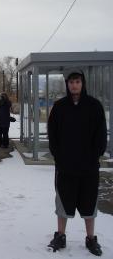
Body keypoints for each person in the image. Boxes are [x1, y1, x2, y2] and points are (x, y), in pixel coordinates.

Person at [47, 69, 106, 256]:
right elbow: (53, 133)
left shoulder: (94, 106)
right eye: (71, 82)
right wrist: (58, 155)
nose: (74, 85)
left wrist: (95, 154)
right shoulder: (60, 107)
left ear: (83, 83)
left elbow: (101, 134)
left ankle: (90, 238)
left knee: (89, 203)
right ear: (67, 84)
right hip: (66, 166)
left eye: (78, 82)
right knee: (63, 202)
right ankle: (61, 235)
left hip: (88, 167)